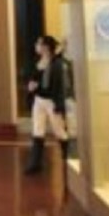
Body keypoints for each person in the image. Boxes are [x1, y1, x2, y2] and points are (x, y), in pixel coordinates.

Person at [24, 35, 73, 176]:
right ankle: (35, 163)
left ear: (45, 46)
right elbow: (35, 78)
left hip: (51, 101)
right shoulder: (39, 61)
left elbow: (55, 85)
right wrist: (32, 86)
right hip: (39, 100)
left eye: (39, 43)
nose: (36, 45)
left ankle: (67, 155)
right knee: (37, 130)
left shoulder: (56, 63)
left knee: (59, 131)